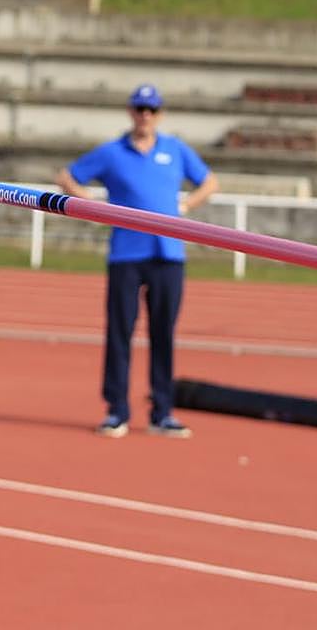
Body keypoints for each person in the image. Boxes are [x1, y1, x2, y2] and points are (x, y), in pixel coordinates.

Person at [55, 84, 218, 439]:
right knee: (119, 333)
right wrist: (95, 207)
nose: (145, 115)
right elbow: (67, 176)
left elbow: (209, 181)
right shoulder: (113, 152)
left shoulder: (174, 149)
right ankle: (117, 410)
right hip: (127, 254)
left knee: (163, 335)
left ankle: (162, 411)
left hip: (168, 255)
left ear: (160, 114)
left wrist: (186, 206)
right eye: (140, 109)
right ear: (131, 112)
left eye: (152, 110)